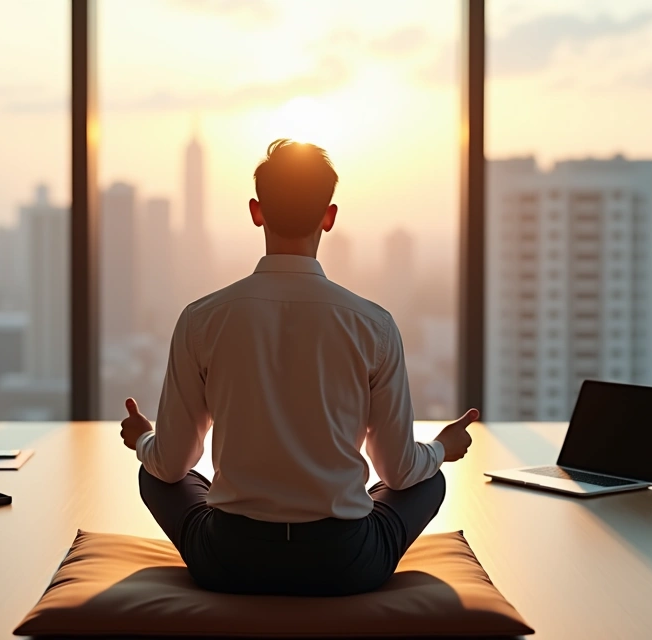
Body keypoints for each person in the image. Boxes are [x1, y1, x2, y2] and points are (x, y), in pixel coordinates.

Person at [120, 138, 479, 597]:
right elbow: (397, 472)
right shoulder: (374, 325)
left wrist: (144, 438)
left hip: (230, 560)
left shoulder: (201, 319)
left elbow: (171, 466)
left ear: (256, 211)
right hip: (345, 563)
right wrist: (442, 447)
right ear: (329, 217)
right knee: (429, 481)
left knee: (153, 473)